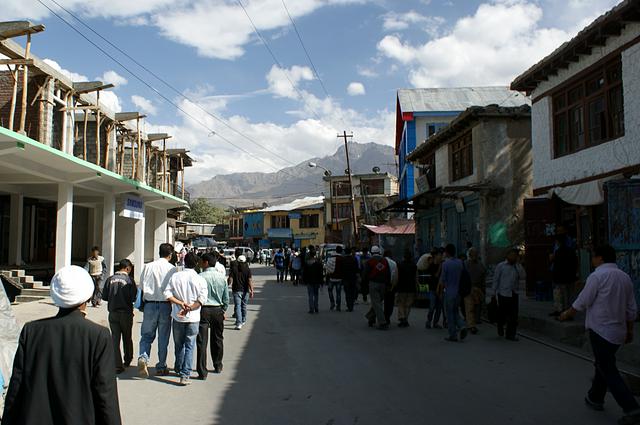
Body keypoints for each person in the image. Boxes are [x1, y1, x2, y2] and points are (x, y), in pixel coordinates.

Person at [2, 266, 122, 424]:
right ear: (87, 296)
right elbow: (105, 394)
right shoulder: (98, 335)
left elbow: (16, 387)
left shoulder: (31, 331)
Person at [559, 245, 640, 425]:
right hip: (617, 332)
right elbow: (631, 309)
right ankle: (595, 397)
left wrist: (566, 313)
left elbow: (583, 301)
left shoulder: (597, 276)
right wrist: (630, 330)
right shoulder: (625, 277)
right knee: (603, 364)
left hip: (601, 331)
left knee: (608, 369)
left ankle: (631, 408)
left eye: (593, 256)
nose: (592, 260)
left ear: (600, 258)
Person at [164, 252, 207, 386]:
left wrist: (179, 303)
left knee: (179, 344)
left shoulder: (175, 276)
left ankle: (178, 367)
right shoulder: (200, 279)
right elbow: (202, 299)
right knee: (189, 346)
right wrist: (190, 307)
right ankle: (185, 374)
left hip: (178, 316)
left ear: (184, 262)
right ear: (196, 264)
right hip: (193, 317)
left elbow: (167, 294)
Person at [137, 243, 177, 378]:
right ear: (170, 255)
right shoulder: (172, 269)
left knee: (146, 335)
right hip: (165, 305)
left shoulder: (148, 266)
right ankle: (161, 366)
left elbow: (141, 285)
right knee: (163, 337)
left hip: (149, 305)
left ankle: (143, 357)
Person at [196, 253, 229, 379]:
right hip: (217, 310)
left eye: (201, 261)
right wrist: (223, 309)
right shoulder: (222, 278)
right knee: (218, 338)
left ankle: (202, 371)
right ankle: (218, 364)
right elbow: (226, 297)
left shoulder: (200, 276)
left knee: (202, 341)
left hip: (203, 309)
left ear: (206, 263)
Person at [102, 259, 137, 374]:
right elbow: (133, 298)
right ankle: (127, 359)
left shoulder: (109, 279)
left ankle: (117, 364)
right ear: (127, 268)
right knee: (127, 337)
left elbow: (105, 297)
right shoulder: (129, 280)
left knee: (115, 339)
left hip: (112, 313)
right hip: (126, 313)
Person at [492, 249, 526, 341]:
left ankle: (510, 334)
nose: (513, 257)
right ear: (507, 256)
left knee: (513, 316)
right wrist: (493, 292)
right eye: (512, 255)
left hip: (514, 293)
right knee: (502, 314)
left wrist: (518, 264)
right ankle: (500, 325)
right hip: (503, 294)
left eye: (515, 256)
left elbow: (523, 276)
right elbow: (496, 279)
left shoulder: (517, 267)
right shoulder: (501, 266)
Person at [439, 244, 468, 342]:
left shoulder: (445, 264)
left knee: (449, 314)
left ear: (446, 252)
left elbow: (443, 280)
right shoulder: (460, 263)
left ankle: (453, 334)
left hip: (449, 292)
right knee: (455, 311)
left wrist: (440, 291)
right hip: (458, 292)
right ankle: (462, 325)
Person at [549, 230, 578, 317]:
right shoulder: (571, 251)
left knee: (560, 295)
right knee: (569, 295)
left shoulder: (558, 252)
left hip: (560, 277)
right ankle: (568, 311)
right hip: (570, 276)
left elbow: (557, 265)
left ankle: (561, 311)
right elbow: (575, 263)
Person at [363, 246, 391, 330]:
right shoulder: (385, 261)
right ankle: (371, 318)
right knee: (377, 302)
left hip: (373, 283)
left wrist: (364, 285)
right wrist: (388, 284)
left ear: (371, 253)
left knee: (376, 303)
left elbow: (365, 274)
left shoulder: (369, 261)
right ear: (379, 252)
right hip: (383, 284)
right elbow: (388, 273)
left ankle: (382, 322)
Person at [465, 248, 487, 334]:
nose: (475, 256)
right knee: (471, 306)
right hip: (472, 288)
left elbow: (483, 277)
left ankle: (472, 322)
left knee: (473, 306)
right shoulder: (478, 265)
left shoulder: (466, 264)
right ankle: (472, 324)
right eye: (473, 254)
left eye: (475, 254)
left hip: (475, 288)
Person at [229, 254, 254, 330]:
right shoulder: (248, 270)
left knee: (238, 306)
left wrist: (228, 283)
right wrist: (251, 290)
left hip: (236, 290)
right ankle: (243, 320)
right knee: (244, 306)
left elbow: (230, 279)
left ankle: (239, 323)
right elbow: (250, 281)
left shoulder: (234, 269)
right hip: (245, 290)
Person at [396, 250, 417, 327]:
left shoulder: (400, 265)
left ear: (404, 257)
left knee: (401, 303)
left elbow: (397, 276)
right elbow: (416, 278)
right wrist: (416, 287)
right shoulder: (414, 266)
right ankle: (406, 320)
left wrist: (395, 285)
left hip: (402, 287)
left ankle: (403, 317)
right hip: (411, 287)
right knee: (408, 305)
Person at [303, 246, 324, 313]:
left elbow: (305, 273)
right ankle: (316, 307)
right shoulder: (318, 264)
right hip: (316, 281)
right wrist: (321, 282)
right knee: (316, 294)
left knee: (310, 295)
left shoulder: (307, 264)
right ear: (315, 255)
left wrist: (305, 281)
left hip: (309, 281)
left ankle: (311, 309)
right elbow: (321, 274)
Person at [326, 246, 344, 311]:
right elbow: (343, 269)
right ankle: (338, 306)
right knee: (338, 293)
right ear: (341, 251)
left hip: (331, 278)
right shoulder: (342, 259)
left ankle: (332, 303)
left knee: (330, 291)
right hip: (339, 278)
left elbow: (327, 268)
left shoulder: (331, 258)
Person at [341, 248, 360, 312]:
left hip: (346, 278)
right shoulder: (354, 259)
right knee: (352, 292)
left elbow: (342, 269)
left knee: (347, 293)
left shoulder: (343, 260)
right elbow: (357, 269)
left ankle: (349, 306)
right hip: (353, 278)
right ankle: (351, 305)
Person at [384, 250, 398, 325]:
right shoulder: (393, 263)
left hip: (381, 284)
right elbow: (395, 276)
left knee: (378, 302)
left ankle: (375, 317)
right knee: (389, 302)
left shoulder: (381, 261)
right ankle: (387, 317)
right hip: (390, 285)